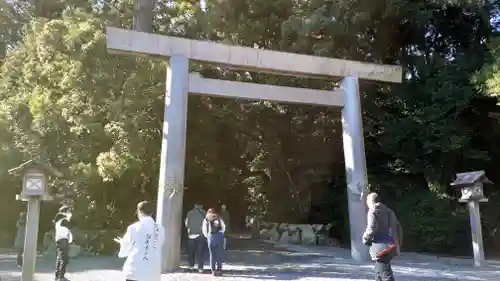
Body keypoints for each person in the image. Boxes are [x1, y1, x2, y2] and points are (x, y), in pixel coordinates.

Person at [115, 201, 165, 281]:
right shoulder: (160, 229)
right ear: (152, 213)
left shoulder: (133, 228)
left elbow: (126, 250)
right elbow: (158, 244)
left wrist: (122, 243)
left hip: (135, 270)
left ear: (140, 212)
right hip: (152, 272)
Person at [362, 193, 403, 281]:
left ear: (370, 202)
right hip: (391, 244)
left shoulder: (373, 211)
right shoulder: (389, 211)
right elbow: (398, 227)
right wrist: (398, 243)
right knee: (378, 272)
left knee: (386, 274)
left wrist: (365, 239)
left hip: (379, 247)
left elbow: (371, 228)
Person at [202, 208, 226, 276]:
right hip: (219, 236)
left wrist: (207, 236)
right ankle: (219, 270)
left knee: (212, 254)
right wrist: (220, 233)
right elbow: (223, 227)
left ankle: (213, 271)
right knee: (219, 254)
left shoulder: (206, 219)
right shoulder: (218, 217)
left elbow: (204, 230)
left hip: (211, 237)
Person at [52, 206, 74, 281]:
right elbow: (70, 227)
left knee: (59, 258)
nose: (70, 213)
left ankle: (57, 274)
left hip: (59, 240)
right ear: (65, 212)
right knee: (65, 259)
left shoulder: (59, 220)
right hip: (63, 240)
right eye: (69, 211)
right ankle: (61, 275)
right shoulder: (64, 220)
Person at [184, 203, 206, 273]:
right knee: (200, 252)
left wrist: (189, 229)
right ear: (201, 205)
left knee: (191, 252)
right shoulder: (204, 213)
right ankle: (200, 268)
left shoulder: (189, 213)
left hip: (191, 235)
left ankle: (191, 266)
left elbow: (186, 223)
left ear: (194, 205)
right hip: (201, 235)